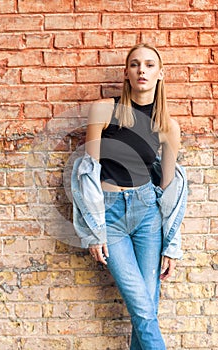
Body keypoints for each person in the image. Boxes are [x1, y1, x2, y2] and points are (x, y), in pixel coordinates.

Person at [74, 43, 184, 349]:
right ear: (126, 73)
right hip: (110, 216)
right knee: (143, 309)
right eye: (135, 64)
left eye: (149, 65)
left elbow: (170, 190)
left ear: (160, 74)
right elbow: (88, 172)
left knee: (147, 308)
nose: (142, 70)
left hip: (148, 215)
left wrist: (172, 245)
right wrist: (94, 230)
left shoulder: (167, 126)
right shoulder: (104, 109)